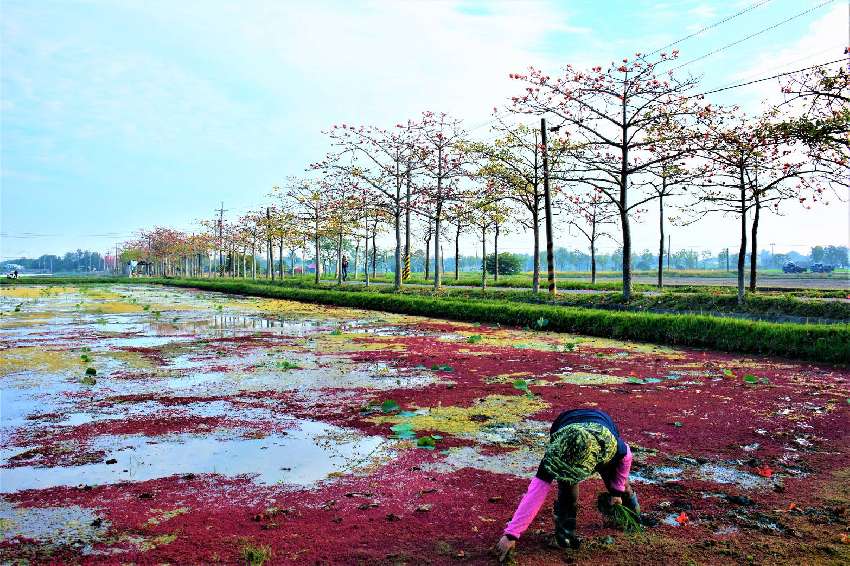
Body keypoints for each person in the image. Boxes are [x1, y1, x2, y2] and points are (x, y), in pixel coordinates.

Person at [496, 408, 638, 561]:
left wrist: (617, 491)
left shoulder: (610, 446)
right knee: (567, 489)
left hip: (600, 425)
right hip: (565, 424)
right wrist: (511, 534)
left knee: (620, 486)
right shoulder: (556, 454)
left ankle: (635, 520)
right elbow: (535, 493)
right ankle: (565, 536)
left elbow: (626, 457)